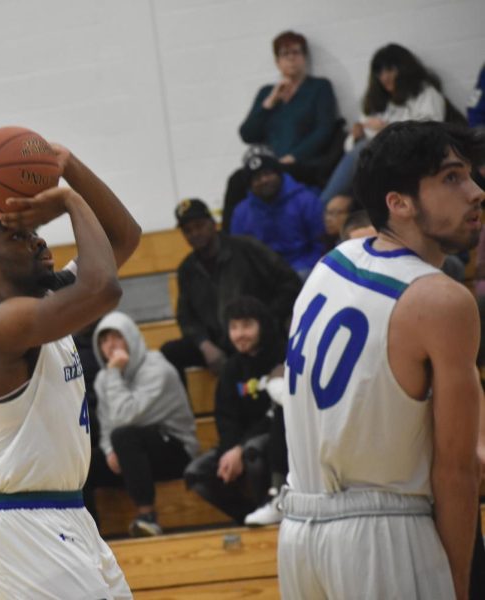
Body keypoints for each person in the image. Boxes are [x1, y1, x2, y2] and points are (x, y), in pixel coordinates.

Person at [278, 121, 484, 599]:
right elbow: (457, 471)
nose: (476, 192)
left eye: (471, 175)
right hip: (384, 539)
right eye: (452, 178)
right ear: (400, 202)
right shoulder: (441, 300)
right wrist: (457, 582)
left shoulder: (331, 263)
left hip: (299, 534)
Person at [0, 142, 140, 599]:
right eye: (19, 236)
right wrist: (70, 201)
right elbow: (104, 287)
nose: (37, 239)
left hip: (68, 514)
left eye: (34, 230)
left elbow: (125, 239)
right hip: (24, 524)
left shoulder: (48, 306)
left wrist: (69, 165)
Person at [160, 198, 301, 380]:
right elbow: (186, 317)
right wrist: (204, 344)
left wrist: (265, 319)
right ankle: (182, 409)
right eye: (188, 230)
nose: (195, 233)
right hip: (217, 343)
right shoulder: (187, 269)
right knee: (170, 352)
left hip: (258, 336)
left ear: (212, 224)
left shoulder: (246, 248)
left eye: (199, 225)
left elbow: (290, 283)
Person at [91, 311, 199, 537]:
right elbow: (106, 424)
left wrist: (113, 373)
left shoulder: (158, 369)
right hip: (131, 455)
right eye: (104, 340)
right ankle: (88, 534)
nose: (110, 346)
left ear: (130, 337)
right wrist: (109, 450)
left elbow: (124, 417)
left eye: (116, 337)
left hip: (175, 451)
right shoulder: (105, 377)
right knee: (84, 464)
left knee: (124, 436)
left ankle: (147, 516)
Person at [224, 30, 341, 229]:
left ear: (304, 57)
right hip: (272, 164)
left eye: (296, 52)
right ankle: (228, 241)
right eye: (285, 54)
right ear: (277, 61)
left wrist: (294, 156)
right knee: (237, 180)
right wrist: (270, 102)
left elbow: (324, 130)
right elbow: (247, 134)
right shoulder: (267, 93)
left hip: (305, 163)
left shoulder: (319, 87)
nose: (291, 59)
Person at [184, 296, 285, 524]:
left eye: (247, 326)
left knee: (252, 452)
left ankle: (271, 514)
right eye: (234, 327)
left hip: (273, 439)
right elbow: (225, 417)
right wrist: (230, 450)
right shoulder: (231, 368)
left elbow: (276, 416)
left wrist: (239, 449)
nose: (240, 334)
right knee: (196, 474)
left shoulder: (281, 356)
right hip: (239, 442)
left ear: (263, 325)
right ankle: (248, 517)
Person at [319, 43, 454, 205]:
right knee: (361, 152)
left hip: (409, 155)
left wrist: (388, 129)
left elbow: (432, 132)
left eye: (390, 70)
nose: (384, 77)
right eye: (380, 72)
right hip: (374, 160)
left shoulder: (425, 94)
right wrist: (356, 135)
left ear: (404, 69)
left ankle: (324, 204)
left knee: (363, 152)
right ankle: (331, 206)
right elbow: (350, 148)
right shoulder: (376, 102)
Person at [230, 147, 325, 277]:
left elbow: (320, 245)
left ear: (279, 173)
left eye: (268, 173)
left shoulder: (307, 200)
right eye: (257, 178)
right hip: (264, 277)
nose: (264, 180)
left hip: (303, 269)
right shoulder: (241, 213)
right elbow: (240, 255)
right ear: (250, 185)